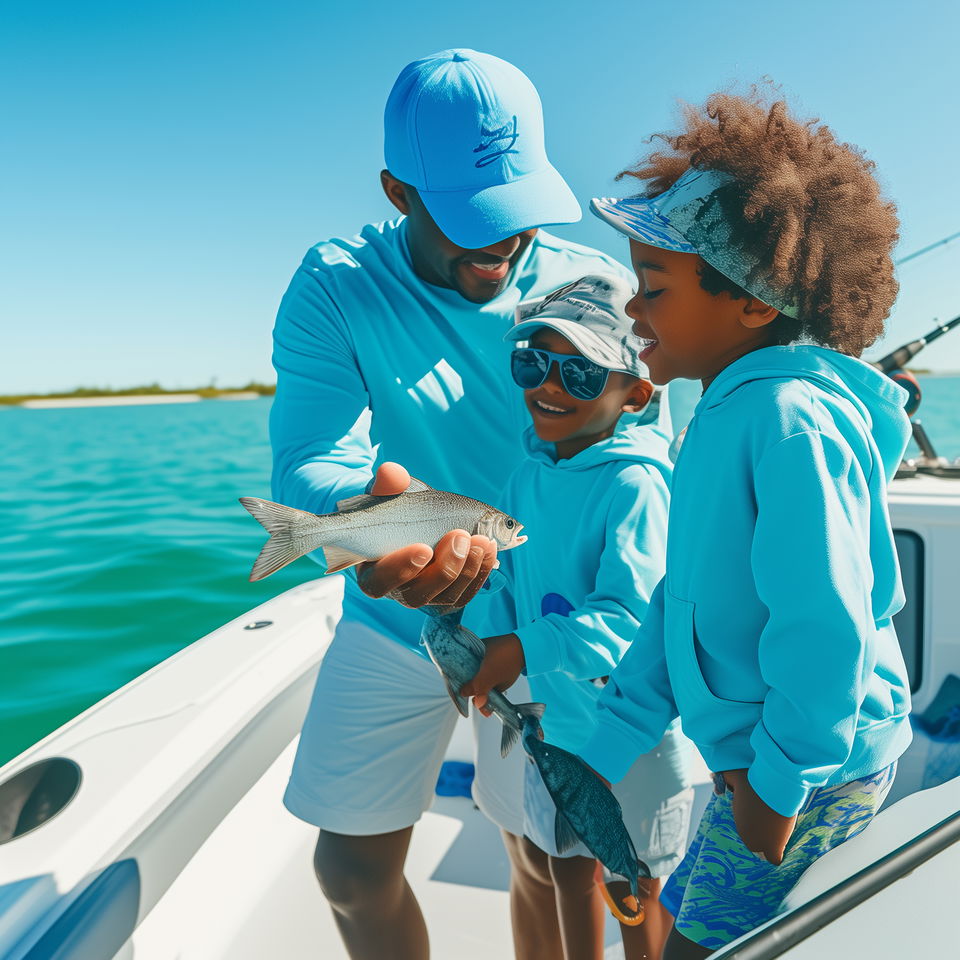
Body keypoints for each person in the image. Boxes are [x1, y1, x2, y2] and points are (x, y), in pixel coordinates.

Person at [270, 48, 633, 960]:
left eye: (517, 210)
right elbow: (313, 453)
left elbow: (637, 451)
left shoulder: (588, 281)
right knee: (348, 874)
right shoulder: (337, 282)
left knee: (539, 856)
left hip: (545, 610)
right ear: (399, 192)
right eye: (473, 217)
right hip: (396, 610)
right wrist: (365, 523)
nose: (503, 241)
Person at [562, 89, 911, 959]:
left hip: (809, 767)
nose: (632, 312)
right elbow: (687, 597)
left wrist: (779, 781)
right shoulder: (722, 411)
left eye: (651, 288)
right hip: (767, 754)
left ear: (753, 304)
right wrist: (612, 737)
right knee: (682, 920)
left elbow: (824, 622)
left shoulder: (787, 420)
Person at [462, 273, 694, 960]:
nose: (550, 387)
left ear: (637, 395)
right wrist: (483, 645)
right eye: (531, 362)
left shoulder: (637, 483)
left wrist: (520, 650)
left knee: (632, 889)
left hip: (635, 739)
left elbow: (627, 623)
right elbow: (510, 582)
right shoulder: (526, 474)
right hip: (552, 728)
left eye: (582, 374)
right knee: (564, 871)